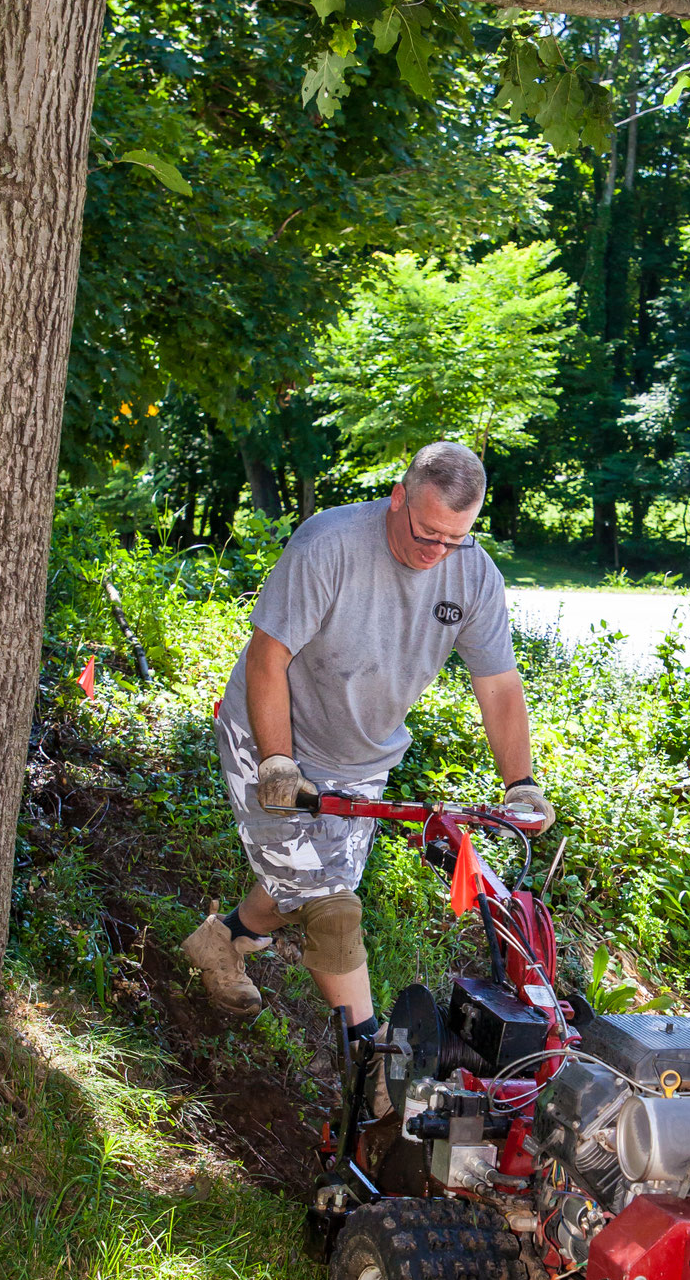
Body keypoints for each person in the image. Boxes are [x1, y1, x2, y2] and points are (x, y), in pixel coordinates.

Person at [182, 440, 553, 1059]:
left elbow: (500, 686)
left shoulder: (474, 574)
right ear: (398, 497)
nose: (437, 552)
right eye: (428, 532)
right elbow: (269, 658)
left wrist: (520, 783)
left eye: (454, 539)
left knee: (300, 884)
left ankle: (225, 938)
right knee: (330, 906)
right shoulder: (328, 545)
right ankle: (373, 1056)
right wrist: (278, 761)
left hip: (362, 760)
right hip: (273, 736)